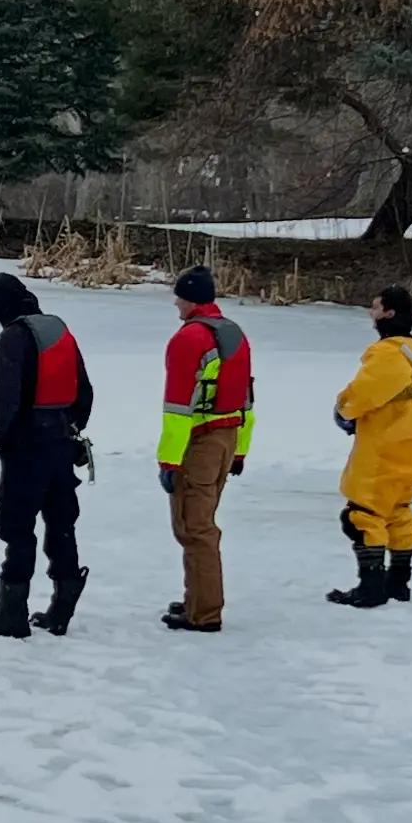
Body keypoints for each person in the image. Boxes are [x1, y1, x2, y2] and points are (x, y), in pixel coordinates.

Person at [0, 273, 94, 638]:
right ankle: (62, 605)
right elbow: (84, 391)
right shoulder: (58, 331)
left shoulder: (12, 338)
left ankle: (12, 614)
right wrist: (68, 426)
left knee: (18, 529)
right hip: (60, 444)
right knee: (62, 525)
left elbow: (4, 397)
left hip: (26, 449)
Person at [158, 265, 256, 633]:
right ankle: (197, 598)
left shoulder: (189, 339)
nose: (176, 304)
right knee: (201, 524)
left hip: (198, 443)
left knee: (194, 528)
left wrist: (169, 460)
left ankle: (203, 613)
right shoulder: (234, 334)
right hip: (227, 439)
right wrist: (241, 451)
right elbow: (246, 401)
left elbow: (177, 408)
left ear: (188, 299)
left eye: (178, 297)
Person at [328, 285, 412, 608]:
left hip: (380, 450)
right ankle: (398, 583)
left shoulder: (388, 353)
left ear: (389, 313)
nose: (371, 312)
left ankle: (371, 587)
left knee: (362, 515)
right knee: (397, 513)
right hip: (407, 444)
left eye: (375, 306)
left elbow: (364, 392)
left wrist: (343, 410)